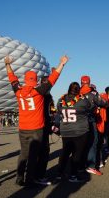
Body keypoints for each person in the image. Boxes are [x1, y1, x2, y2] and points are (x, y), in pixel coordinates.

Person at [4, 55, 69, 187]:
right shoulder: (38, 91)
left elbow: (12, 78)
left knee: (23, 153)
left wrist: (7, 65)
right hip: (36, 128)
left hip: (23, 128)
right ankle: (30, 180)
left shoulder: (19, 91)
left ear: (25, 80)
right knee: (33, 156)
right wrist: (62, 64)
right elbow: (53, 78)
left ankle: (19, 177)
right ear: (36, 80)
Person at [56, 82, 91, 182]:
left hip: (66, 130)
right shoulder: (82, 100)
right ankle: (73, 175)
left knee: (65, 152)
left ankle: (59, 173)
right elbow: (89, 106)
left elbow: (58, 110)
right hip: (79, 130)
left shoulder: (60, 100)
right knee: (77, 154)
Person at [80, 75, 107, 176]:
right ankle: (91, 165)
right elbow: (104, 103)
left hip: (78, 121)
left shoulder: (76, 92)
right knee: (92, 142)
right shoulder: (93, 93)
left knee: (80, 144)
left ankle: (79, 166)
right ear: (89, 82)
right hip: (90, 120)